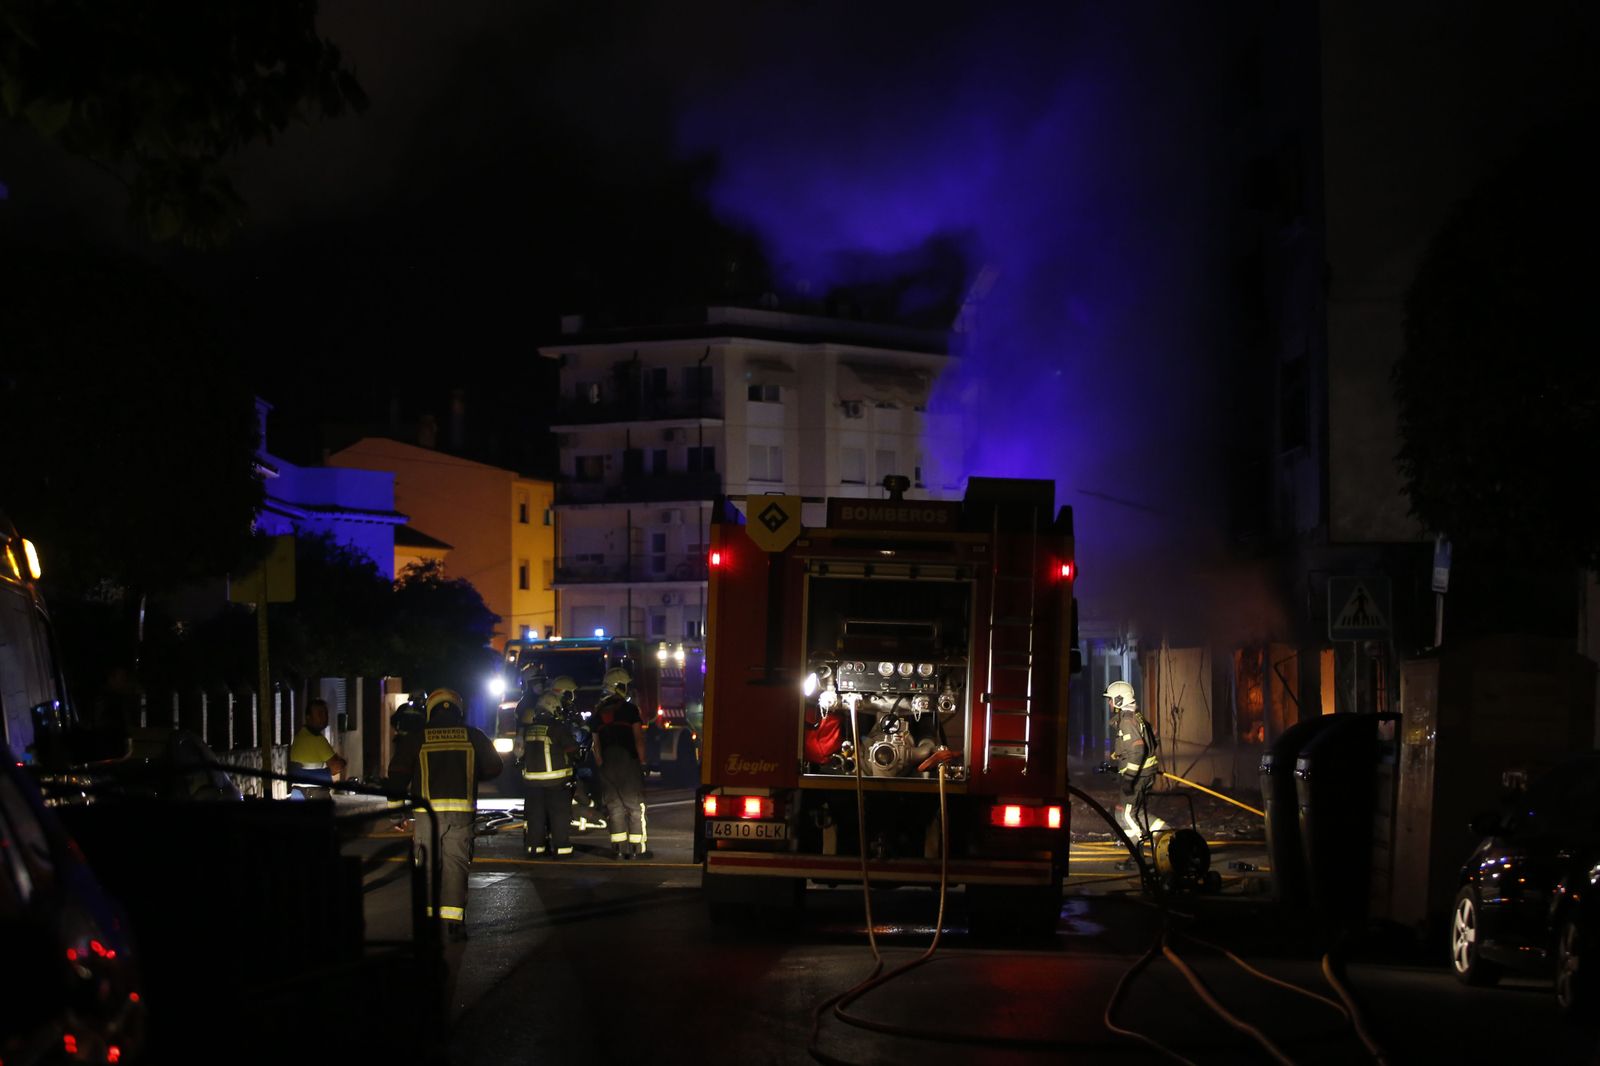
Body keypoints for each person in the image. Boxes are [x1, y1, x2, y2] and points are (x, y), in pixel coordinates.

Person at [388, 688, 503, 941]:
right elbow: (495, 766)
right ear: (458, 710)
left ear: (431, 709)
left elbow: (397, 772)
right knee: (457, 864)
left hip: (426, 814)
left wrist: (396, 813)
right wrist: (470, 774)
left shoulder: (418, 737)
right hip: (462, 813)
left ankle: (428, 922)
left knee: (427, 865)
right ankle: (454, 923)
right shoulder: (473, 735)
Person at [594, 667, 649, 859]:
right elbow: (638, 739)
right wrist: (642, 762)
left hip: (606, 764)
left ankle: (619, 848)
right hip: (628, 762)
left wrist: (600, 765)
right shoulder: (630, 710)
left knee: (614, 807)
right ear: (619, 686)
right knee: (635, 807)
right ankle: (637, 849)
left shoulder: (599, 711)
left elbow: (596, 744)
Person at [517, 691, 579, 858]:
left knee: (536, 816)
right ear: (552, 708)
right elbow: (573, 748)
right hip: (556, 782)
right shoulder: (557, 728)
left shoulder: (529, 729)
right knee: (559, 815)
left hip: (532, 783)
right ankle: (562, 849)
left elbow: (520, 753)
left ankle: (535, 848)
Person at [1105, 681, 1164, 842]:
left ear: (1119, 700)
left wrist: (1129, 779)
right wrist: (1120, 754)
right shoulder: (1136, 716)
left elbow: (1137, 750)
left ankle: (1138, 852)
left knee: (1125, 815)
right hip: (1145, 774)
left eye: (1110, 699)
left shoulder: (1127, 721)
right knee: (1134, 812)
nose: (1109, 703)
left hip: (1138, 777)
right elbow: (1154, 736)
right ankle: (1166, 834)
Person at [288, 697, 346, 800]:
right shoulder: (318, 740)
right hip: (315, 793)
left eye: (325, 713)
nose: (324, 717)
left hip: (296, 792)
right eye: (320, 714)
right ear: (308, 717)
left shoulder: (298, 737)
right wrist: (342, 762)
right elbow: (335, 767)